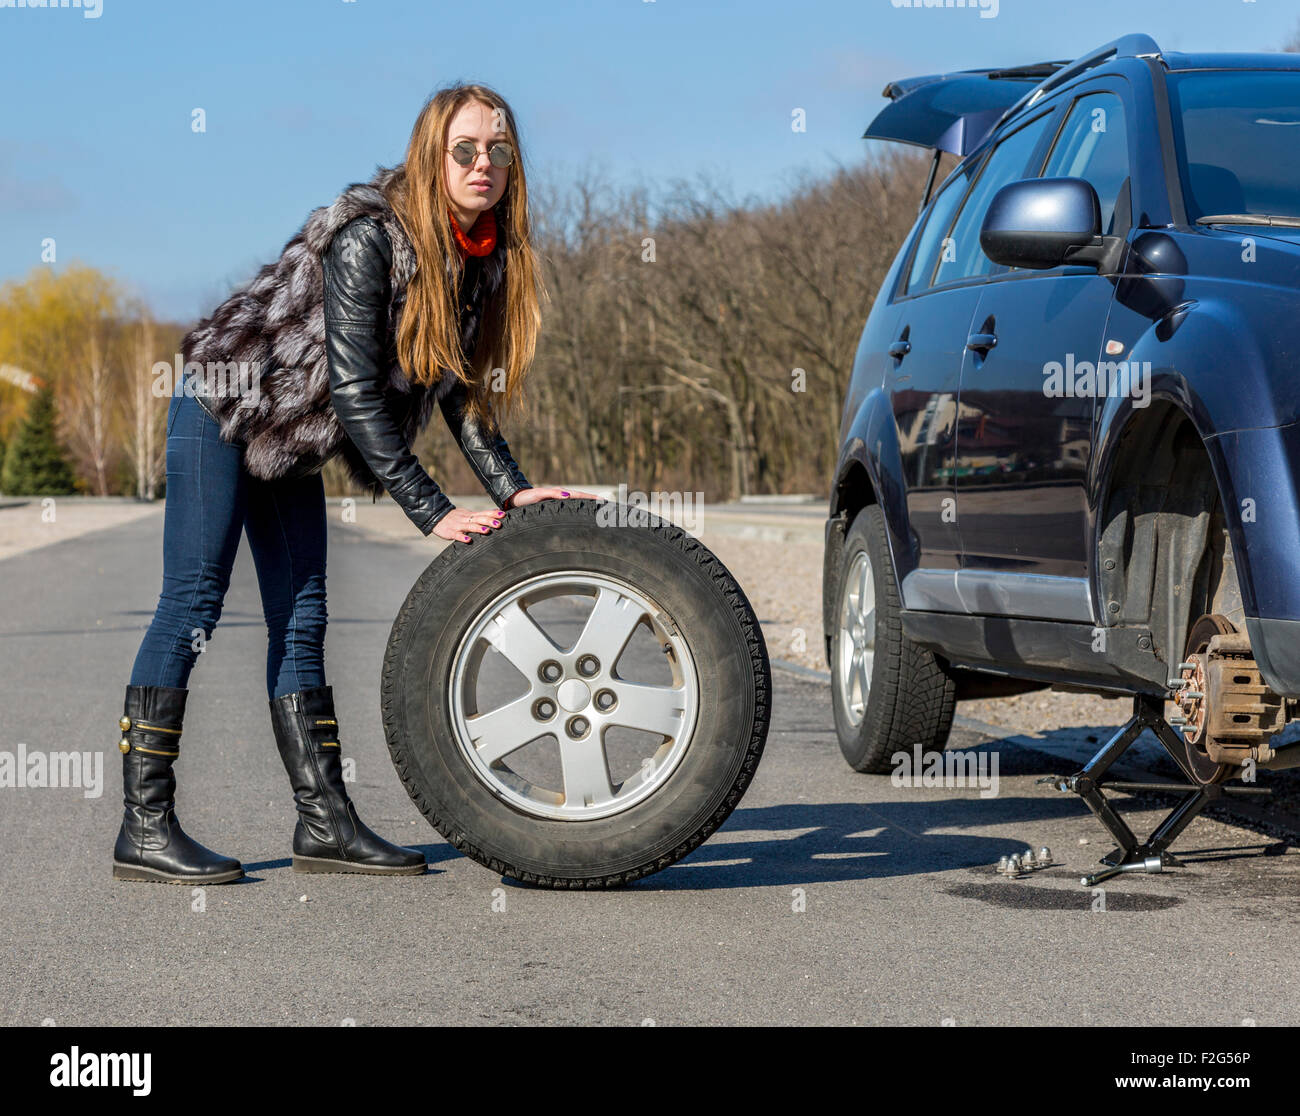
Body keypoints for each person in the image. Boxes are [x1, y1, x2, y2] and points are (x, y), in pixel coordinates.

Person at [114, 82, 596, 884]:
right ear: (431, 155)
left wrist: (513, 490)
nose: (485, 163)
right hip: (226, 403)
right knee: (194, 599)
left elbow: (461, 394)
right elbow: (354, 394)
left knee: (302, 618)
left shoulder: (478, 259)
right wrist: (431, 511)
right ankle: (144, 825)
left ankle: (323, 824)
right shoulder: (370, 237)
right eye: (466, 149)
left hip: (291, 441)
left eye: (500, 151)